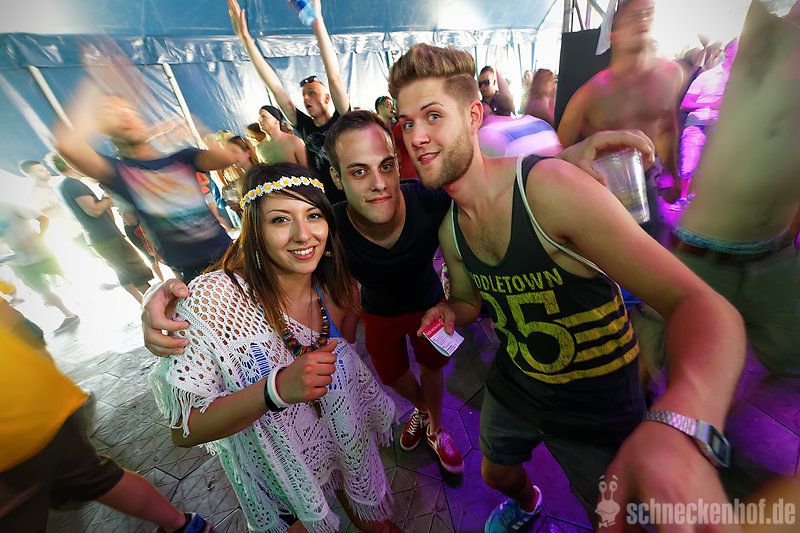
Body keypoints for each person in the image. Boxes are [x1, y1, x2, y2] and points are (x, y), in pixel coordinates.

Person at [389, 43, 744, 532]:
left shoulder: (548, 189)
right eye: (407, 123)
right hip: (517, 381)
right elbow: (470, 299)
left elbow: (699, 305)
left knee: (615, 519)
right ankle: (529, 504)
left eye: (432, 116)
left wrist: (683, 424)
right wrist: (452, 311)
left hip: (594, 401)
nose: (417, 136)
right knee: (495, 471)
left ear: (473, 116)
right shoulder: (450, 230)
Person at [148, 162, 396, 533]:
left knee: (376, 523)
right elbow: (185, 430)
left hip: (339, 441)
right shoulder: (217, 300)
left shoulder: (338, 287)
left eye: (313, 215)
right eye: (280, 219)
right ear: (255, 230)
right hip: (279, 470)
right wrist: (275, 390)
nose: (303, 234)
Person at [640, 0, 800, 378]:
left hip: (773, 258)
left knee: (790, 356)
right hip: (704, 252)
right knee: (648, 360)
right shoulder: (771, 35)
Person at [0, 300, 212, 533]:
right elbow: (16, 321)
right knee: (100, 477)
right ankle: (183, 524)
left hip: (10, 441)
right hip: (43, 407)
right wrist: (44, 374)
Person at [53, 84, 238, 284]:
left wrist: (199, 129)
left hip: (231, 255)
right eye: (113, 114)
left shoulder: (183, 158)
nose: (125, 117)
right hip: (196, 275)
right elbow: (68, 145)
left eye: (129, 111)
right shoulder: (119, 171)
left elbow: (227, 157)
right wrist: (93, 84)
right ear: (103, 128)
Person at [557, 0, 684, 242]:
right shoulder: (589, 94)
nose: (643, 21)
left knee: (651, 252)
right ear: (612, 35)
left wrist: (673, 174)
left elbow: (668, 127)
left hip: (647, 187)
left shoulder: (670, 76)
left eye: (647, 14)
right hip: (603, 191)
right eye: (633, 17)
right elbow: (559, 152)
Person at [228, 0, 347, 205]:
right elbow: (275, 87)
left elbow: (334, 76)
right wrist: (246, 40)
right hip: (326, 202)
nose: (306, 98)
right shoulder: (304, 125)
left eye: (312, 93)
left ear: (327, 98)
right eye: (303, 94)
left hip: (352, 196)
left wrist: (317, 22)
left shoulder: (343, 118)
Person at [47, 152, 154, 303]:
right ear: (68, 163)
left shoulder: (62, 187)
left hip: (100, 238)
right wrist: (107, 198)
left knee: (125, 274)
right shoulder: (72, 184)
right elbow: (93, 210)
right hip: (107, 237)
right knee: (137, 273)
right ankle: (159, 307)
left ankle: (144, 304)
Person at [674, 38, 738, 210]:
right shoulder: (707, 76)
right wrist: (712, 104)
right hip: (698, 123)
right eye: (739, 47)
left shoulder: (741, 81)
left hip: (723, 127)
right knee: (688, 164)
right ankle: (682, 198)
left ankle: (697, 198)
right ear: (728, 51)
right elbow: (685, 104)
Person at [0, 202, 80, 333]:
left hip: (42, 253)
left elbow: (43, 219)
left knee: (67, 278)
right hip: (21, 262)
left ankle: (84, 299)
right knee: (42, 290)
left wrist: (34, 238)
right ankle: (69, 315)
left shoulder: (9, 207)